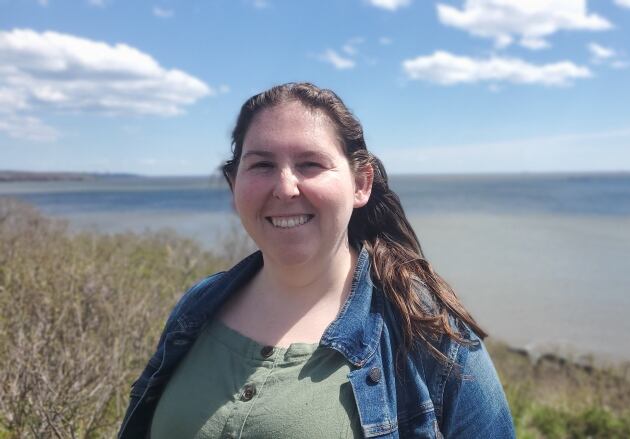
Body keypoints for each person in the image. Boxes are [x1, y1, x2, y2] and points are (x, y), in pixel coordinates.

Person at [118, 82, 515, 438]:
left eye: (310, 164)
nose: (285, 187)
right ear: (233, 182)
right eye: (261, 165)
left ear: (361, 184)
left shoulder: (428, 331)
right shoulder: (199, 306)